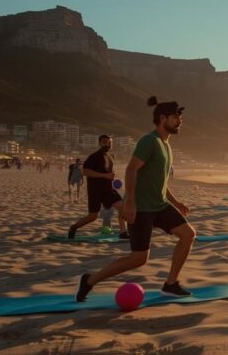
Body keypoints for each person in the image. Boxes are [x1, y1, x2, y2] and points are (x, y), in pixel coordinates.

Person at [75, 96, 195, 302]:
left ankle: (171, 284)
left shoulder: (166, 145)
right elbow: (131, 170)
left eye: (180, 117)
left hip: (160, 205)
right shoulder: (150, 141)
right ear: (162, 118)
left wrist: (176, 202)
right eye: (175, 117)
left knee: (188, 234)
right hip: (142, 209)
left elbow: (161, 182)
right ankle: (90, 280)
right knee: (139, 259)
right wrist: (129, 202)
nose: (179, 120)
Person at [67, 135, 129, 239]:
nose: (107, 144)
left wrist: (112, 175)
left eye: (109, 142)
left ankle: (123, 233)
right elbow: (85, 171)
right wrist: (104, 175)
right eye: (105, 142)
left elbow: (108, 171)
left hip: (109, 189)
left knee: (123, 207)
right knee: (92, 216)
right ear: (99, 143)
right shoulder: (94, 156)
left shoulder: (111, 156)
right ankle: (74, 227)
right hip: (95, 190)